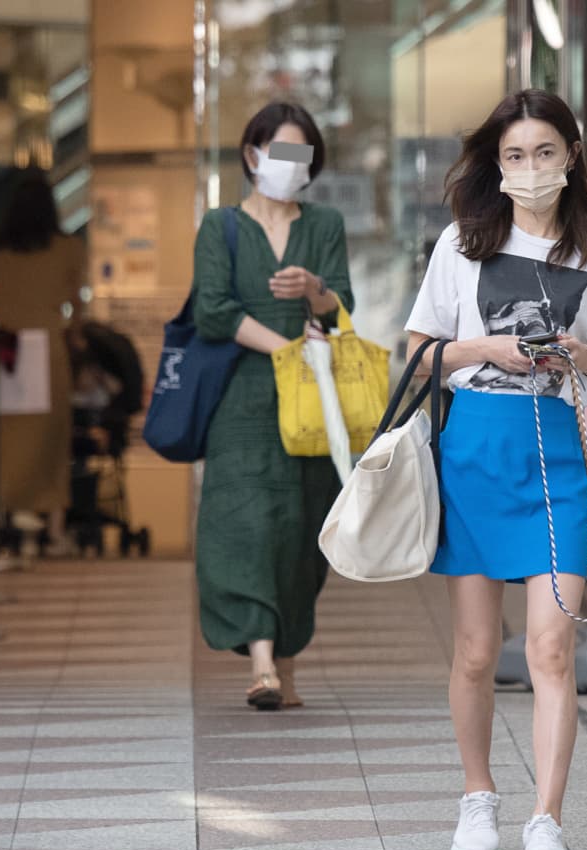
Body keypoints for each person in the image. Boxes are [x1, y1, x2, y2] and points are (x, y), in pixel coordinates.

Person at [404, 89, 587, 850]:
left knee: (550, 644)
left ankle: (546, 820)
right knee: (477, 651)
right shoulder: (465, 243)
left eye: (545, 152)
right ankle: (478, 795)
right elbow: (415, 351)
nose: (531, 168)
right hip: (475, 442)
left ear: (571, 156)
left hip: (557, 450)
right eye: (515, 156)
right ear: (497, 165)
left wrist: (580, 355)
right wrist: (489, 347)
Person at [192, 101, 353, 710]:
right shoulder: (221, 227)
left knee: (299, 530)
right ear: (252, 154)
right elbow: (213, 311)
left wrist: (314, 290)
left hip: (311, 403)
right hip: (242, 400)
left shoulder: (325, 224)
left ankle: (284, 669)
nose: (290, 166)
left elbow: (343, 306)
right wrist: (285, 347)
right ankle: (262, 665)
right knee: (244, 526)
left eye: (301, 155)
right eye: (279, 152)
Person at [0, 167, 84, 554]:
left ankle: (8, 517)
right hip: (48, 349)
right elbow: (76, 305)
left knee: (8, 439)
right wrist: (76, 337)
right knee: (52, 440)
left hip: (6, 351)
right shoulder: (68, 249)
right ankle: (53, 528)